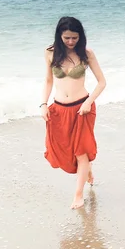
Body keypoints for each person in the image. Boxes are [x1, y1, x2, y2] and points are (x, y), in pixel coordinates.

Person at [40, 16, 107, 209]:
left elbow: (102, 83)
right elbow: (48, 81)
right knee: (68, 150)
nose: (70, 42)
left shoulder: (87, 54)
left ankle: (78, 195)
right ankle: (87, 171)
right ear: (60, 35)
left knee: (81, 151)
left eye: (74, 38)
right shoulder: (50, 53)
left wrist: (88, 102)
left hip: (82, 110)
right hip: (59, 110)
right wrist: (43, 104)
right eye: (67, 37)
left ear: (80, 37)